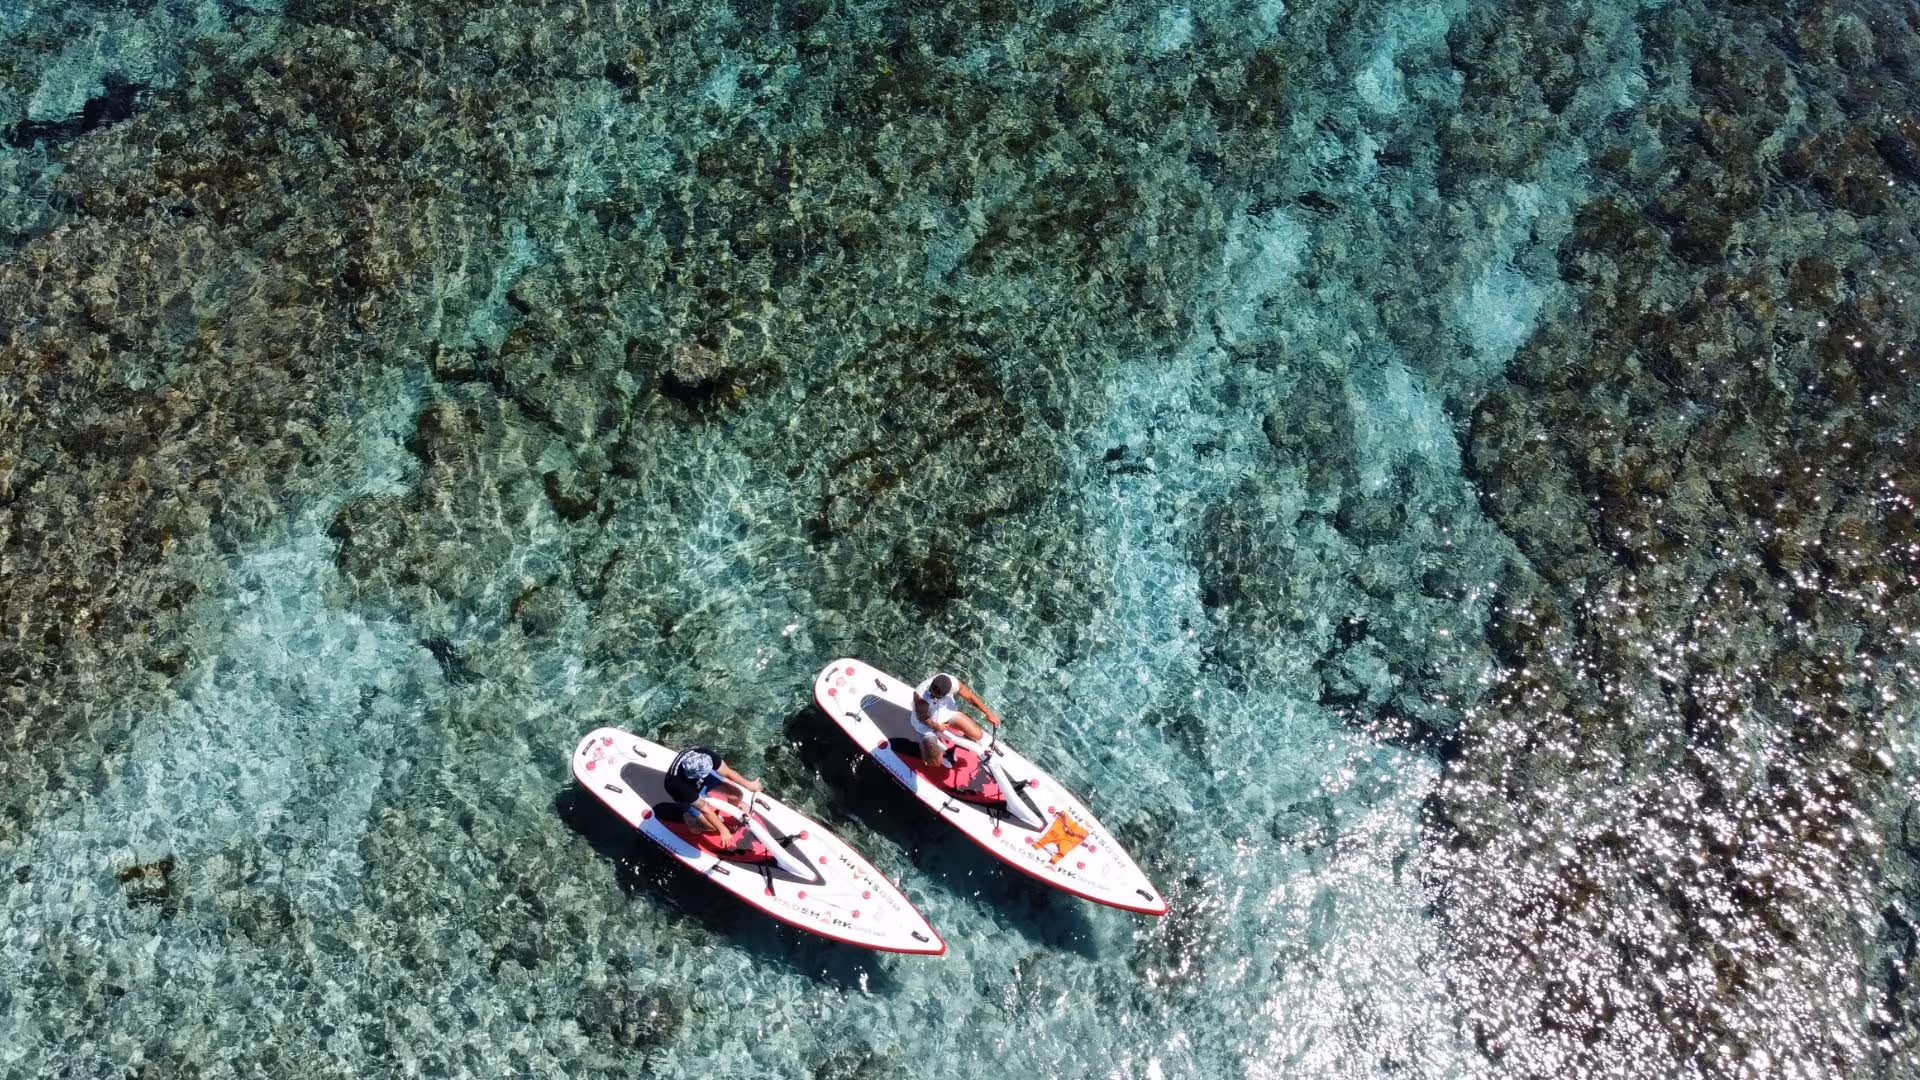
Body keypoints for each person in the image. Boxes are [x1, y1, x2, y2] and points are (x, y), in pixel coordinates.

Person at [662, 745, 763, 842]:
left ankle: (730, 810)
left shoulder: (705, 754)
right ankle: (691, 818)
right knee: (712, 826)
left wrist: (749, 785)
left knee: (737, 794)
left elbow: (727, 772)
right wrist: (723, 829)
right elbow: (705, 810)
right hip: (684, 792)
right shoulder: (678, 784)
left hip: (702, 778)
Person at [911, 672, 1000, 769]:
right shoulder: (920, 696)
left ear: (948, 691)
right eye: (932, 694)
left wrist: (989, 713)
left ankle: (945, 739)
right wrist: (938, 727)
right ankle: (925, 746)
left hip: (945, 712)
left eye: (938, 696)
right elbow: (924, 719)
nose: (934, 697)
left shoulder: (953, 683)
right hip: (925, 724)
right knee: (935, 762)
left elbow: (970, 697)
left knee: (978, 735)